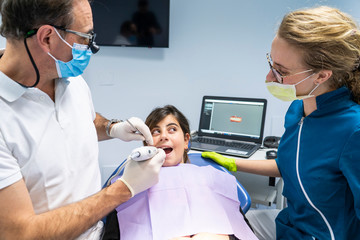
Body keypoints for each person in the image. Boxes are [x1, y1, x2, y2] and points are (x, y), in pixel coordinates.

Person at [0, 1, 165, 239]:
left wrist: (111, 128)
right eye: (85, 37)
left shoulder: (68, 76)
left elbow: (80, 120)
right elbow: (20, 233)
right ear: (47, 38)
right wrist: (123, 189)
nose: (91, 47)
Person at [202, 5, 360, 240]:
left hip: (321, 235)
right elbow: (291, 164)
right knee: (209, 223)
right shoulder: (298, 108)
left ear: (322, 75)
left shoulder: (352, 130)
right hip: (289, 225)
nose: (269, 78)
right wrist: (232, 163)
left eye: (280, 71)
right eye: (271, 64)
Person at [105, 105, 257, 240]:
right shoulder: (131, 186)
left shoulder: (211, 178)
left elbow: (242, 230)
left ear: (186, 140)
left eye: (172, 129)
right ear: (147, 144)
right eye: (156, 132)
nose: (164, 136)